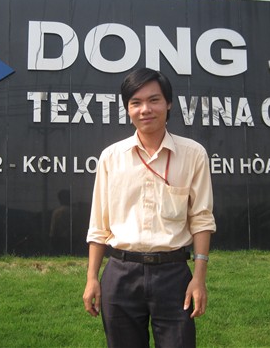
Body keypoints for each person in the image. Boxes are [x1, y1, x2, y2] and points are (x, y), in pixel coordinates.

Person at [83, 67, 216, 348]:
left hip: (173, 275)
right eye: (136, 102)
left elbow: (202, 219)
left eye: (154, 100)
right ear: (127, 109)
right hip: (120, 274)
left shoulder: (193, 154)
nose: (145, 109)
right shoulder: (111, 157)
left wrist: (199, 278)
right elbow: (98, 225)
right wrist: (92, 278)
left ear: (169, 104)